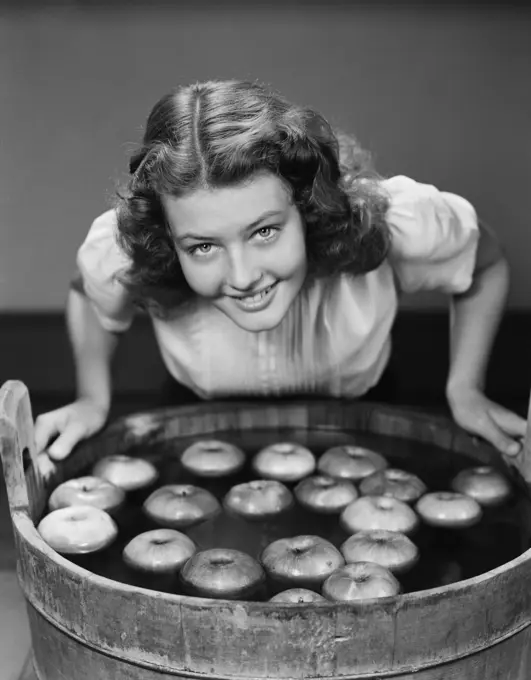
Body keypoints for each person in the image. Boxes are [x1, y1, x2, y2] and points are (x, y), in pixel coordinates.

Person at [34, 79, 526, 460]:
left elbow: (484, 265)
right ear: (168, 239)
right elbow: (88, 293)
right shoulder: (126, 248)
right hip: (199, 426)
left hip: (364, 421)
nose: (245, 276)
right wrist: (91, 397)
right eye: (204, 246)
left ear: (306, 205)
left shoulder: (393, 220)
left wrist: (465, 388)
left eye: (264, 231)